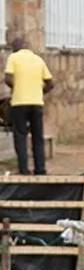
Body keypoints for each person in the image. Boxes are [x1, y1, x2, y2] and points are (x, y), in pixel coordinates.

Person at [4, 37, 54, 176]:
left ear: (15, 48)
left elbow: (8, 78)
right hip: (37, 103)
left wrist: (17, 87)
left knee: (20, 136)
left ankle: (24, 170)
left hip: (19, 103)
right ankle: (40, 169)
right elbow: (50, 84)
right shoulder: (38, 59)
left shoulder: (13, 57)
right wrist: (39, 91)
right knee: (37, 137)